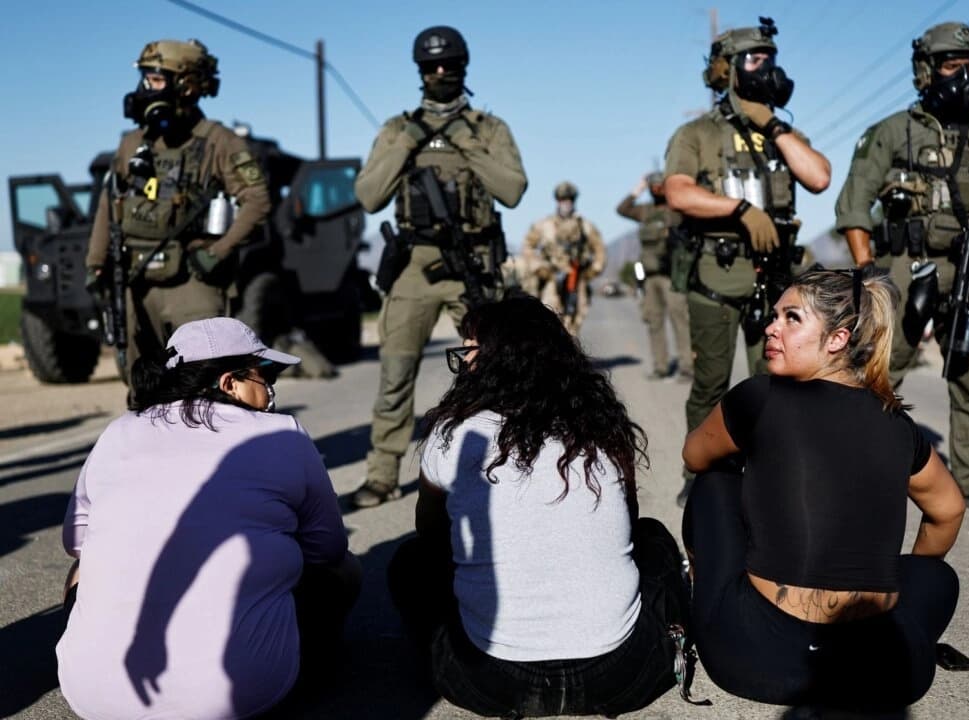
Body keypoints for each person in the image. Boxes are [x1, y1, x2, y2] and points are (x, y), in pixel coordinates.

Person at [387, 293, 690, 717]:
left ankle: (444, 657)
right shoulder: (600, 426)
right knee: (653, 537)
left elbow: (431, 532)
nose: (463, 362)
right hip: (619, 674)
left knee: (412, 560)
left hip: (489, 680)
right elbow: (629, 520)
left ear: (498, 360)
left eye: (470, 351)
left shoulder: (454, 434)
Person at [681, 266, 965, 712]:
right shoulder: (898, 424)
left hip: (753, 660)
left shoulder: (759, 396)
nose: (770, 328)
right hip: (883, 671)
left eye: (791, 318)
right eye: (774, 316)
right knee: (936, 577)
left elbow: (695, 456)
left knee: (715, 483)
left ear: (837, 339)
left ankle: (705, 604)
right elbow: (949, 510)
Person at [56, 317, 362, 720]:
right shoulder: (283, 432)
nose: (271, 388)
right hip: (240, 696)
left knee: (83, 567)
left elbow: (75, 542)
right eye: (265, 375)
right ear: (229, 383)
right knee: (345, 570)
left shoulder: (118, 431)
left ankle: (103, 660)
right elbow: (328, 548)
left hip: (93, 697)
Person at [834, 22, 969, 517]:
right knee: (881, 366)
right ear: (926, 70)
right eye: (951, 65)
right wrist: (869, 275)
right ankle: (849, 466)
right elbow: (853, 205)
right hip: (906, 264)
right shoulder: (892, 131)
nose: (964, 77)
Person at [352, 26, 527, 508]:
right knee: (395, 374)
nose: (441, 72)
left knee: (494, 370)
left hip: (472, 261)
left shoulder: (488, 129)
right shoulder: (398, 128)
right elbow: (369, 196)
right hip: (415, 264)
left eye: (449, 64)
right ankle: (382, 475)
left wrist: (467, 143)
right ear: (420, 71)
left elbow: (512, 190)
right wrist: (408, 142)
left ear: (464, 66)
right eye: (432, 66)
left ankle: (507, 465)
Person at [662, 17, 831, 505]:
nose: (767, 69)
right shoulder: (698, 133)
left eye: (770, 60)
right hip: (717, 274)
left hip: (776, 278)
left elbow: (818, 177)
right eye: (754, 60)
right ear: (728, 70)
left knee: (778, 381)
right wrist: (738, 210)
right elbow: (677, 191)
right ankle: (701, 473)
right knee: (711, 382)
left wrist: (773, 125)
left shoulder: (781, 132)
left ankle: (767, 471)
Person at [85, 39, 272, 374]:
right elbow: (108, 203)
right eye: (145, 79)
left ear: (186, 85)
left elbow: (257, 201)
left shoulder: (221, 142)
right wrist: (96, 263)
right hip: (137, 281)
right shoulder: (131, 144)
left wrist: (218, 252)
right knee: (141, 385)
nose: (145, 89)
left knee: (204, 379)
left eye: (156, 80)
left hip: (193, 281)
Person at [616, 172, 692, 381]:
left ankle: (687, 366)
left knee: (680, 321)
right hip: (649, 278)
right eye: (653, 187)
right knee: (654, 322)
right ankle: (660, 366)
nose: (657, 190)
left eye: (660, 186)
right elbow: (622, 209)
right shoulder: (645, 211)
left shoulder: (675, 210)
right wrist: (638, 188)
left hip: (672, 277)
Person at [522, 182, 606, 335]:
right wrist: (538, 267)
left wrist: (592, 271)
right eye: (562, 199)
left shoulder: (584, 226)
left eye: (570, 199)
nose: (566, 203)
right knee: (549, 322)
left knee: (574, 323)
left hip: (576, 278)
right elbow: (528, 246)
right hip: (552, 279)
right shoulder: (544, 225)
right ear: (557, 201)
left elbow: (599, 249)